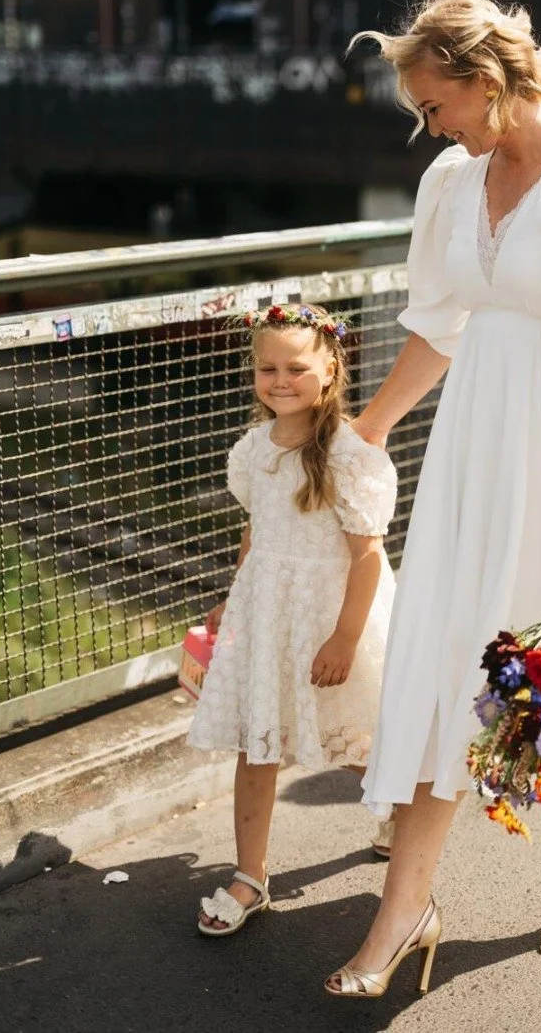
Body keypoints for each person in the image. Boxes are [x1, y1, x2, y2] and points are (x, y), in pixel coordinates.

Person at [322, 0, 541, 1000]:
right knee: (447, 658)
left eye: (436, 105)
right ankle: (404, 910)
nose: (431, 126)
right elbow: (438, 329)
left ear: (485, 81)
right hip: (474, 445)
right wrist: (365, 430)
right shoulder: (449, 180)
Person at [187, 303, 397, 933]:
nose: (281, 381)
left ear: (330, 369)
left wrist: (345, 638)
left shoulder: (348, 454)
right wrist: (237, 595)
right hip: (268, 617)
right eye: (268, 368)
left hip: (331, 617)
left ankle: (401, 818)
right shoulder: (254, 449)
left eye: (297, 368)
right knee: (257, 743)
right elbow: (257, 530)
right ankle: (250, 876)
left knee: (355, 740)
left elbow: (367, 556)